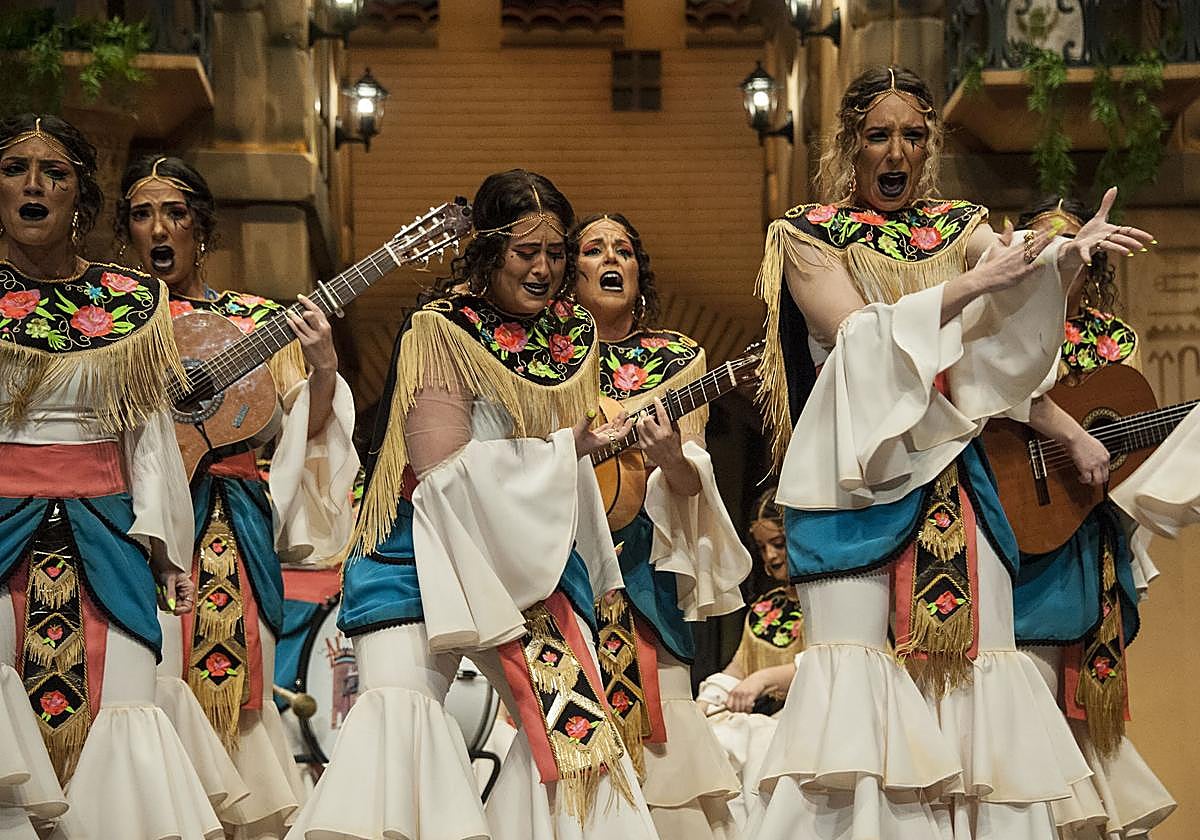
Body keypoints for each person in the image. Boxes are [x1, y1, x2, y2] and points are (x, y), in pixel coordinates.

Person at [748, 67, 1154, 839]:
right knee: (857, 688)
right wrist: (970, 291)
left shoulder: (962, 226)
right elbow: (856, 338)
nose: (895, 151)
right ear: (850, 144)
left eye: (913, 135)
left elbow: (997, 349)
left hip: (960, 486)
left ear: (929, 147)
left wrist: (1060, 267)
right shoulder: (806, 233)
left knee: (979, 680)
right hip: (854, 490)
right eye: (878, 135)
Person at [286, 169, 659, 840]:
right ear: (487, 251)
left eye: (555, 252)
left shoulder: (571, 334)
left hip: (523, 558)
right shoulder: (442, 327)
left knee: (577, 735)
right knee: (400, 722)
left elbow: (567, 468)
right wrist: (562, 447)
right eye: (526, 253)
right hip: (416, 559)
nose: (545, 268)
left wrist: (590, 557)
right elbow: (440, 470)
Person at [115, 155, 359, 838]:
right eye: (142, 213)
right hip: (128, 526)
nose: (159, 227)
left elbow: (297, 440)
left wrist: (323, 368)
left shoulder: (251, 323)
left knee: (235, 692)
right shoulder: (105, 322)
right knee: (147, 679)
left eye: (175, 212)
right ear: (126, 231)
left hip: (227, 527)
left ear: (203, 227)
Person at [0, 114, 222, 838]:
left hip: (110, 535)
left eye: (55, 172)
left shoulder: (127, 302)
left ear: (80, 199)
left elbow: (150, 436)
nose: (34, 185)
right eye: (15, 168)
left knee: (125, 711)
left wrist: (169, 550)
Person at [571, 212, 748, 839]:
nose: (612, 258)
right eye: (593, 249)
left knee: (666, 760)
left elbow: (688, 485)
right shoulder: (540, 357)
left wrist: (671, 456)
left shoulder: (677, 357)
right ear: (570, 272)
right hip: (558, 572)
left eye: (624, 249)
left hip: (645, 569)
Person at [1013, 197, 1175, 839]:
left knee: (1074, 704)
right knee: (1021, 690)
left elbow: (1122, 429)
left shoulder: (1111, 341)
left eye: (1076, 252)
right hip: (1016, 521)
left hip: (1081, 533)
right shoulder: (1000, 329)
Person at [696, 487, 804, 829]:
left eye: (779, 544)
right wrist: (708, 698)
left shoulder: (825, 602)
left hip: (810, 721)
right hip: (770, 722)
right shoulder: (765, 607)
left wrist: (763, 680)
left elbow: (828, 664)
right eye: (762, 548)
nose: (770, 557)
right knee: (709, 737)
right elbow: (739, 667)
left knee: (754, 741)